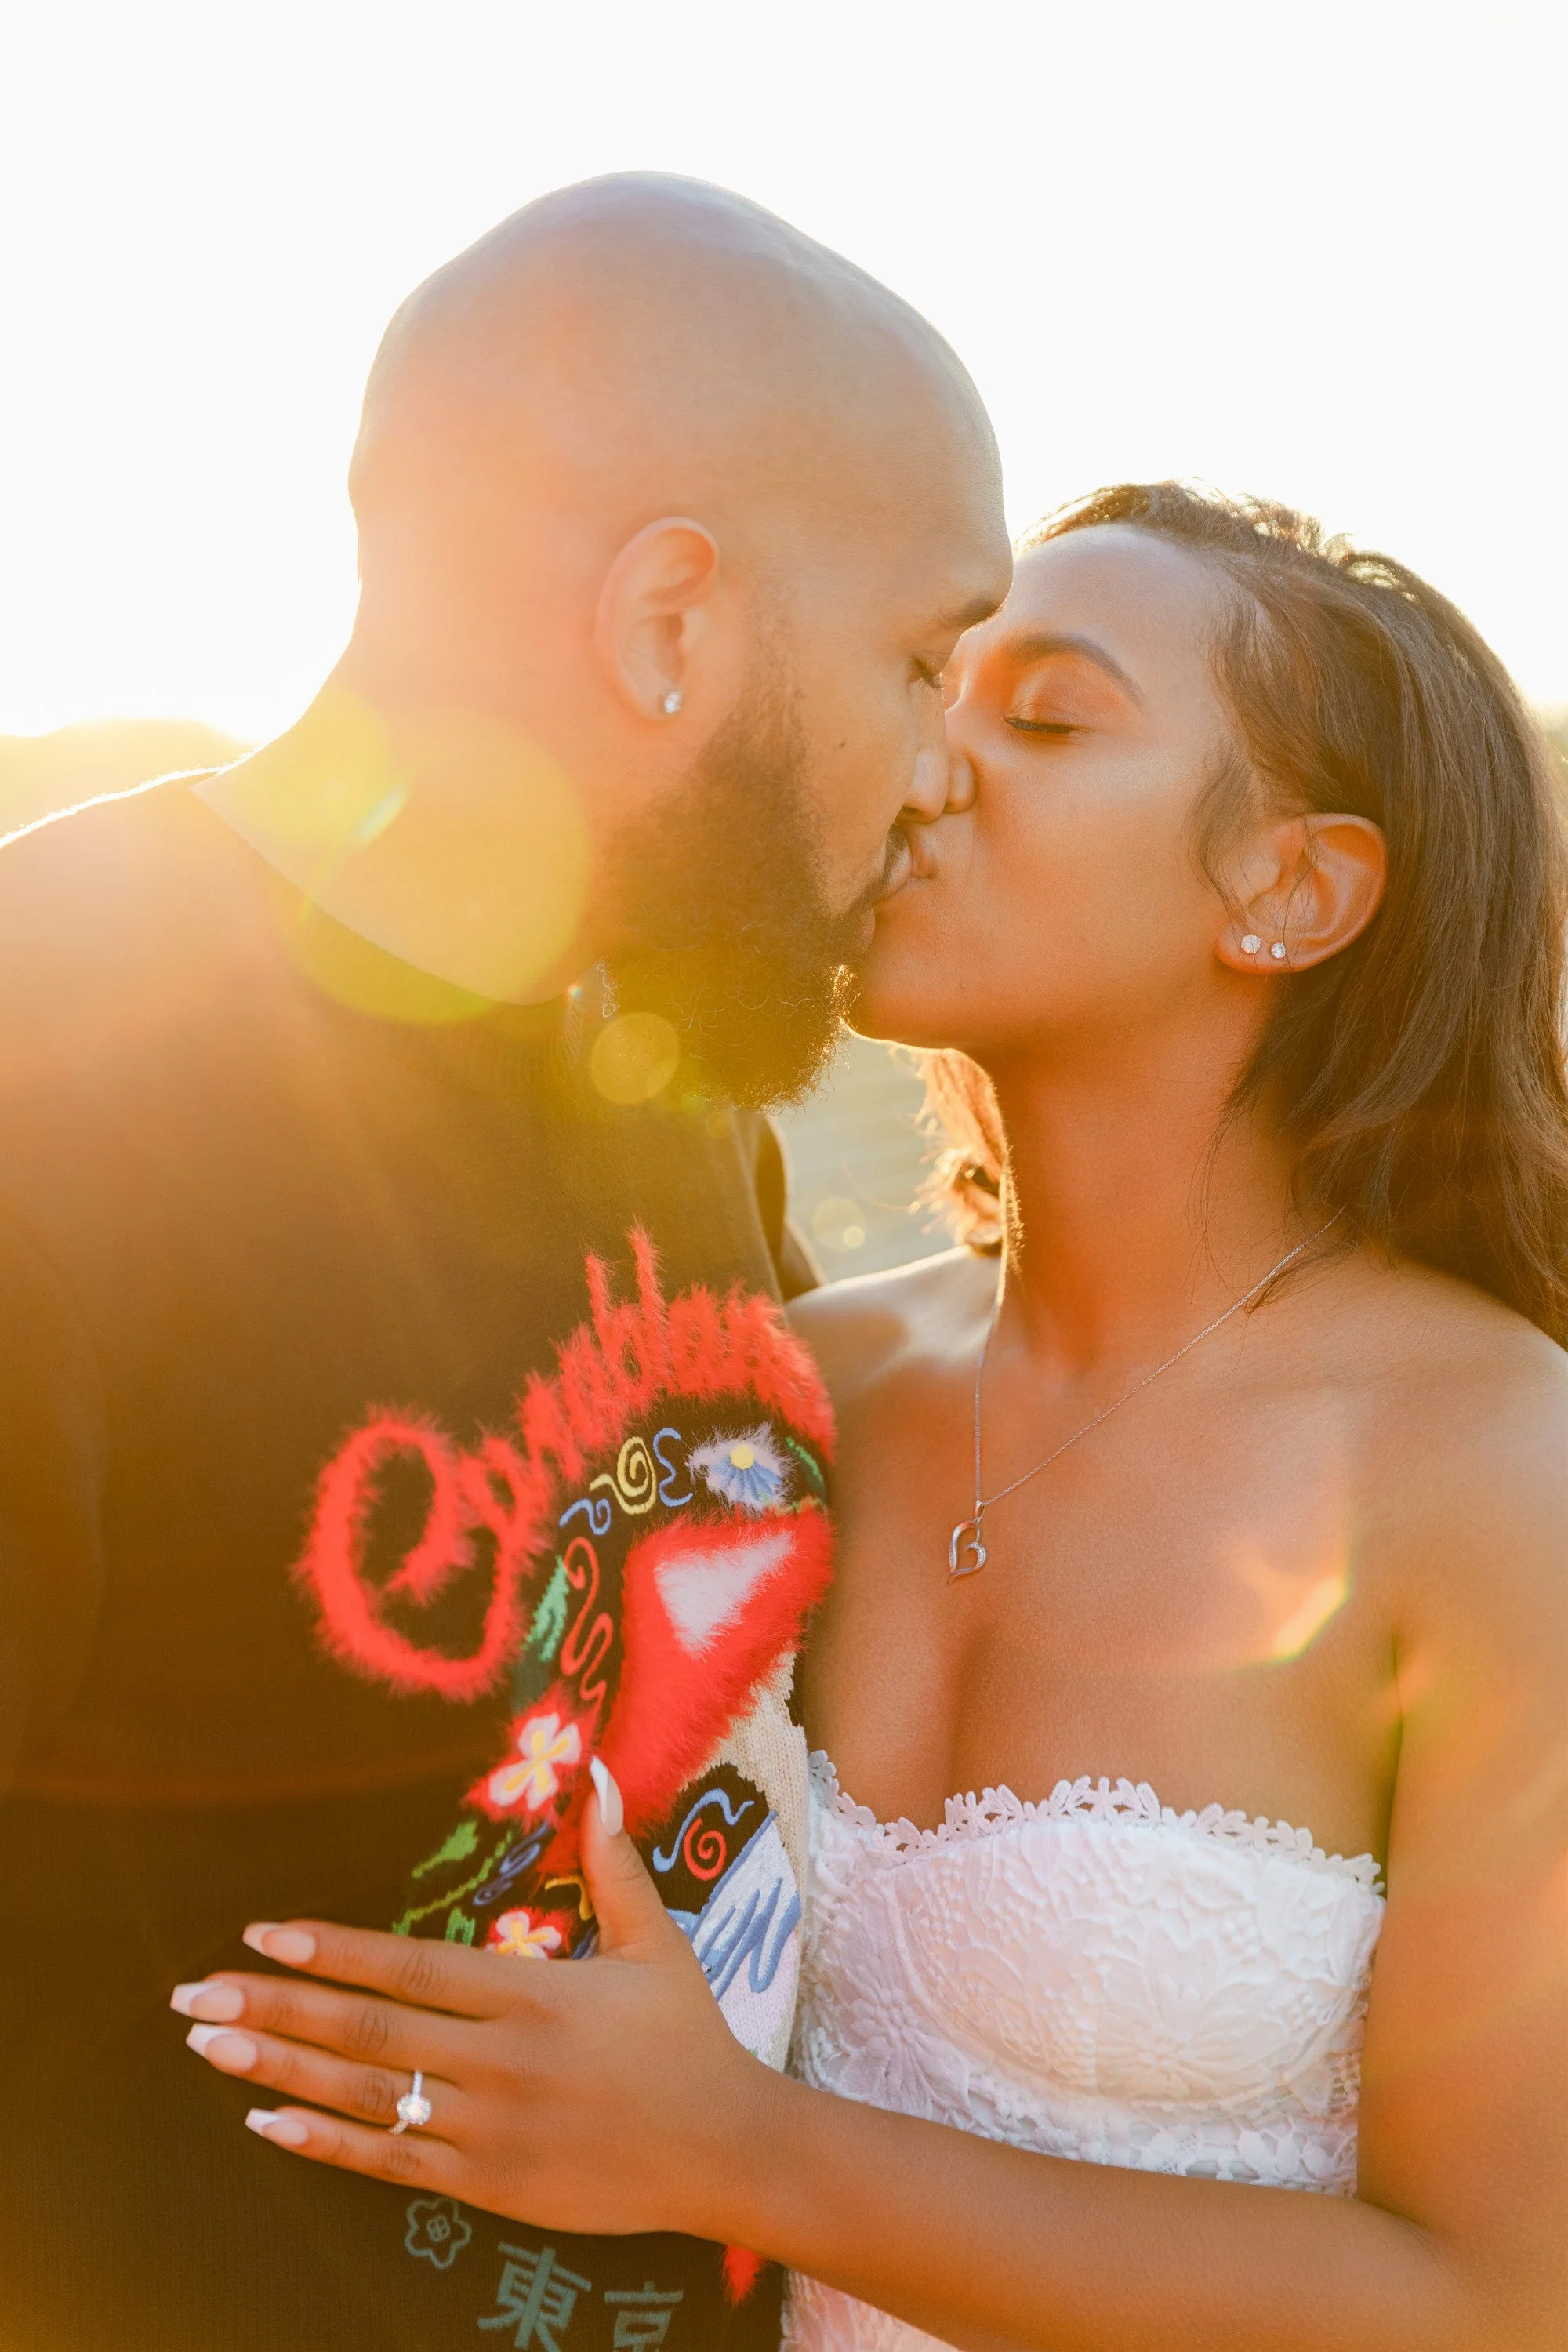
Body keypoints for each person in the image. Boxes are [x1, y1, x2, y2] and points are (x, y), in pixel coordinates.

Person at [186, 485, 1568, 2350]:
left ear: (1290, 890)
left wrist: (734, 2154)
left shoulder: (1496, 1472)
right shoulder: (791, 1390)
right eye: (937, 692)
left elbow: (1498, 2301)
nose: (927, 773)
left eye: (1050, 719)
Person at [0, 173, 1009, 2352]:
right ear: (674, 626)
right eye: (926, 653)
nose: (946, 769)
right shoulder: (43, 1070)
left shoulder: (674, 1088)